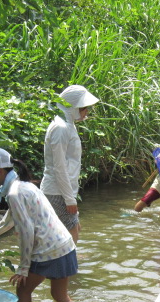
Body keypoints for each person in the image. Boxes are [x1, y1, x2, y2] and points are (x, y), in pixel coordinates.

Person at [0, 149, 77, 302]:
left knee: (23, 291)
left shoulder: (14, 194)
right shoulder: (23, 185)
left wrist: (23, 268)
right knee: (59, 296)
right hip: (63, 245)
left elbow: (26, 231)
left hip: (48, 250)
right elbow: (6, 223)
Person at [40, 85, 99, 243]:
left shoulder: (67, 124)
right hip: (57, 191)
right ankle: (71, 265)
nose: (86, 112)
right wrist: (69, 199)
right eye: (84, 108)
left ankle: (68, 260)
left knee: (74, 228)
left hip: (63, 190)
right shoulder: (61, 128)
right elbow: (59, 167)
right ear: (73, 107)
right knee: (72, 232)